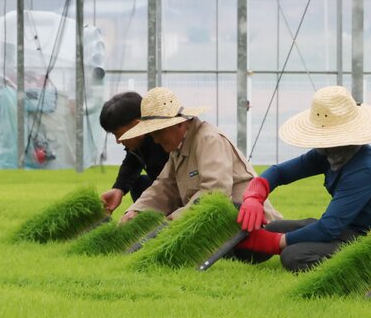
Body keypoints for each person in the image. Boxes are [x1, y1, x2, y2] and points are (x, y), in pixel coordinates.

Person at [233, 86, 371, 272]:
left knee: (293, 255)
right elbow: (280, 173)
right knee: (272, 228)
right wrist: (254, 194)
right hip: (346, 229)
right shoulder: (330, 153)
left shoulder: (366, 168)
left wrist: (276, 243)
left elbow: (328, 228)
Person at [118, 88, 278, 223]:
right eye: (151, 134)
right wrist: (137, 210)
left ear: (178, 124)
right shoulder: (178, 148)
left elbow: (215, 193)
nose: (155, 139)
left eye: (158, 132)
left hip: (252, 224)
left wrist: (172, 220)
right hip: (224, 223)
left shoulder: (208, 140)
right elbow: (164, 185)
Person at [97, 91, 170, 215]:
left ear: (137, 126)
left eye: (118, 134)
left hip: (185, 191)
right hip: (166, 187)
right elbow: (132, 162)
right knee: (139, 184)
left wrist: (137, 209)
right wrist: (118, 189)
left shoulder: (167, 141)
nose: (118, 141)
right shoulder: (140, 142)